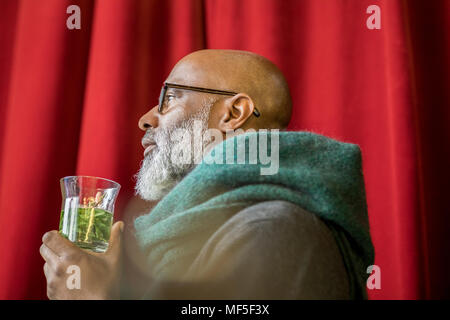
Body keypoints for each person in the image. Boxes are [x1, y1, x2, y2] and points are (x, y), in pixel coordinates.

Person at [40, 49, 373, 300]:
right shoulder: (201, 231)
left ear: (233, 113)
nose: (146, 119)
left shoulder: (274, 229)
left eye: (168, 98)